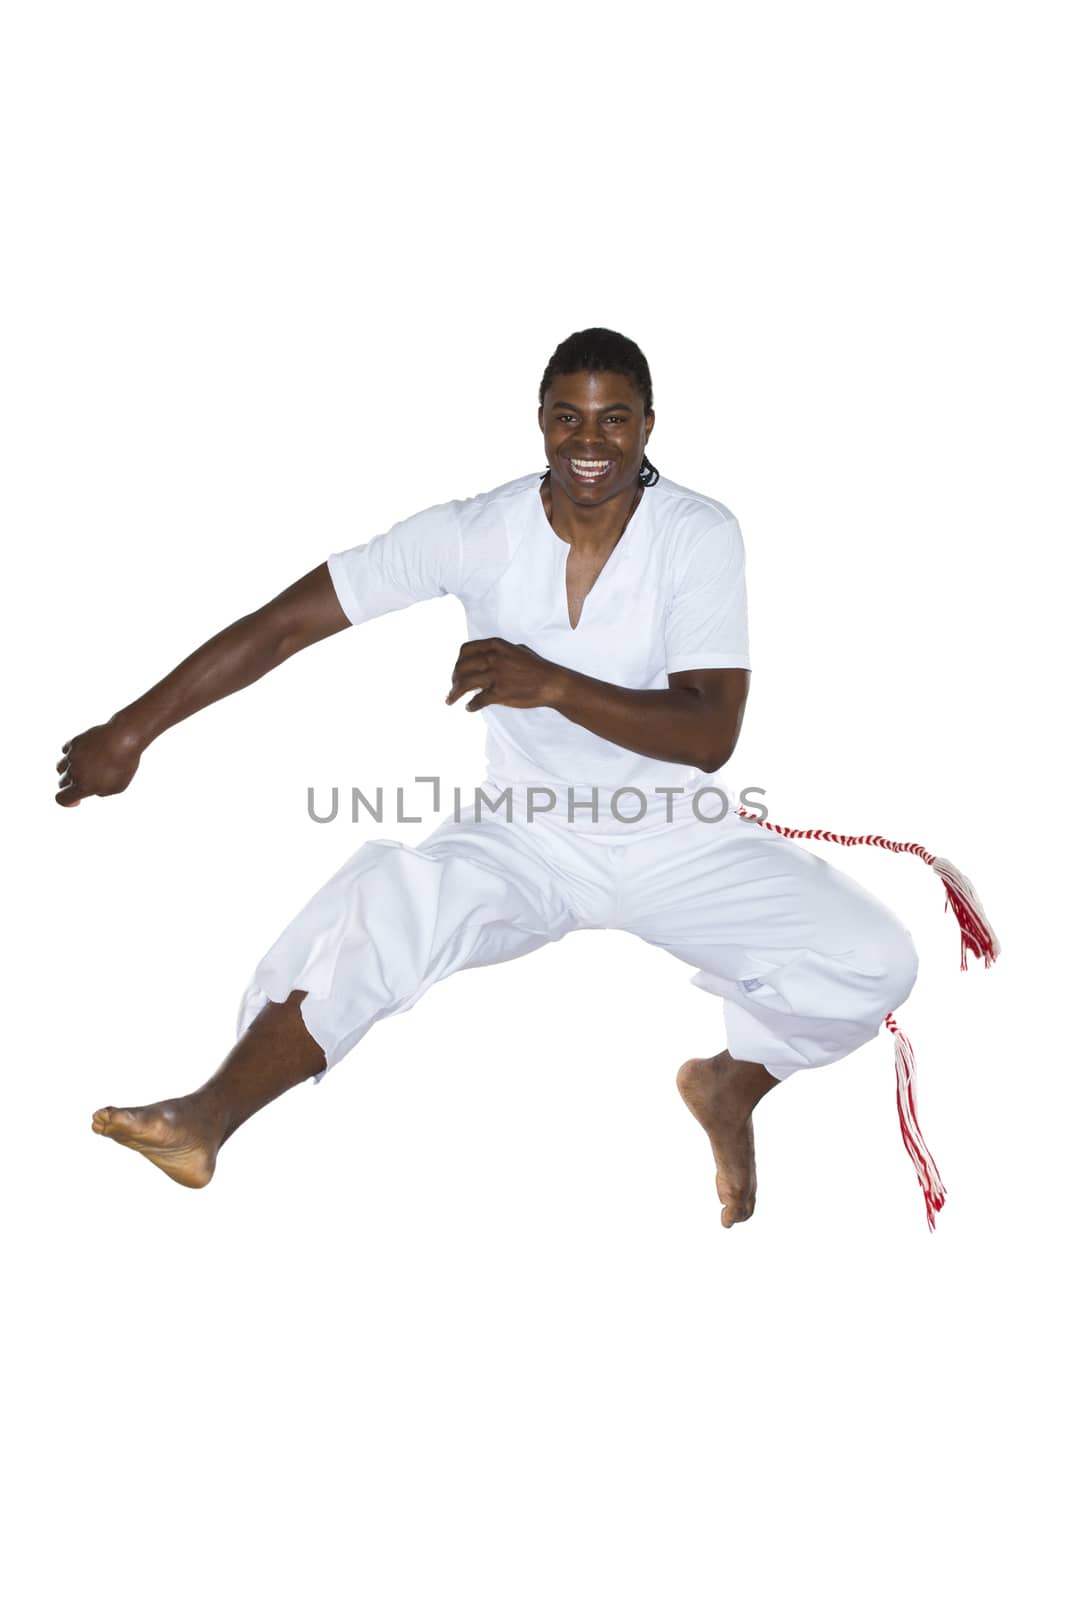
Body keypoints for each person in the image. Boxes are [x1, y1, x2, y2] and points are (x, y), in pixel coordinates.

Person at [57, 327, 921, 1228]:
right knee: (388, 910)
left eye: (614, 418)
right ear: (541, 423)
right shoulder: (474, 532)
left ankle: (729, 1087)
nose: (590, 442)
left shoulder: (697, 534)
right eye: (568, 418)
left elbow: (709, 733)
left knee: (874, 958)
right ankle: (207, 1118)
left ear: (648, 425)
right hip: (526, 835)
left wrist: (549, 681)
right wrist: (130, 732)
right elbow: (284, 625)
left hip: (674, 833)